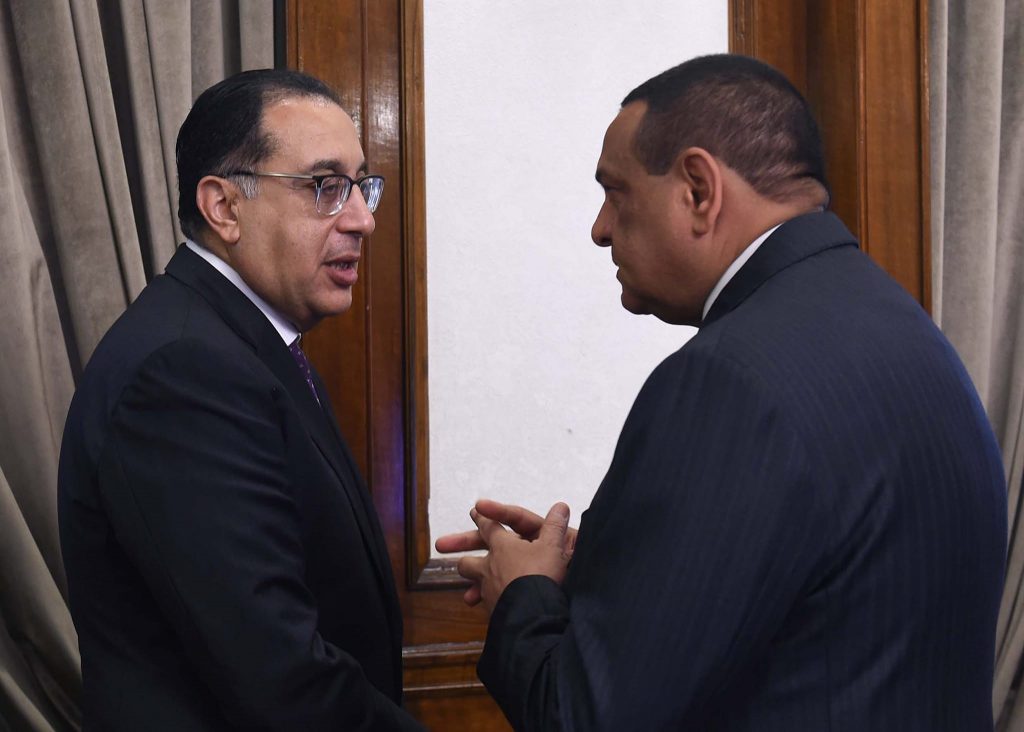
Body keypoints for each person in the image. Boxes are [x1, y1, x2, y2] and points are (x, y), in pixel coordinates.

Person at [437, 54, 1007, 731]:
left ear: (699, 190)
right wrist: (618, 565)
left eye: (616, 192)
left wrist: (522, 594)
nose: (600, 228)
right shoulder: (906, 329)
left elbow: (586, 717)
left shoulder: (726, 378)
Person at [58, 69, 424, 731]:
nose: (363, 219)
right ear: (224, 207)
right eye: (325, 187)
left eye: (361, 186)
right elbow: (280, 677)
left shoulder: (243, 345)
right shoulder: (184, 371)